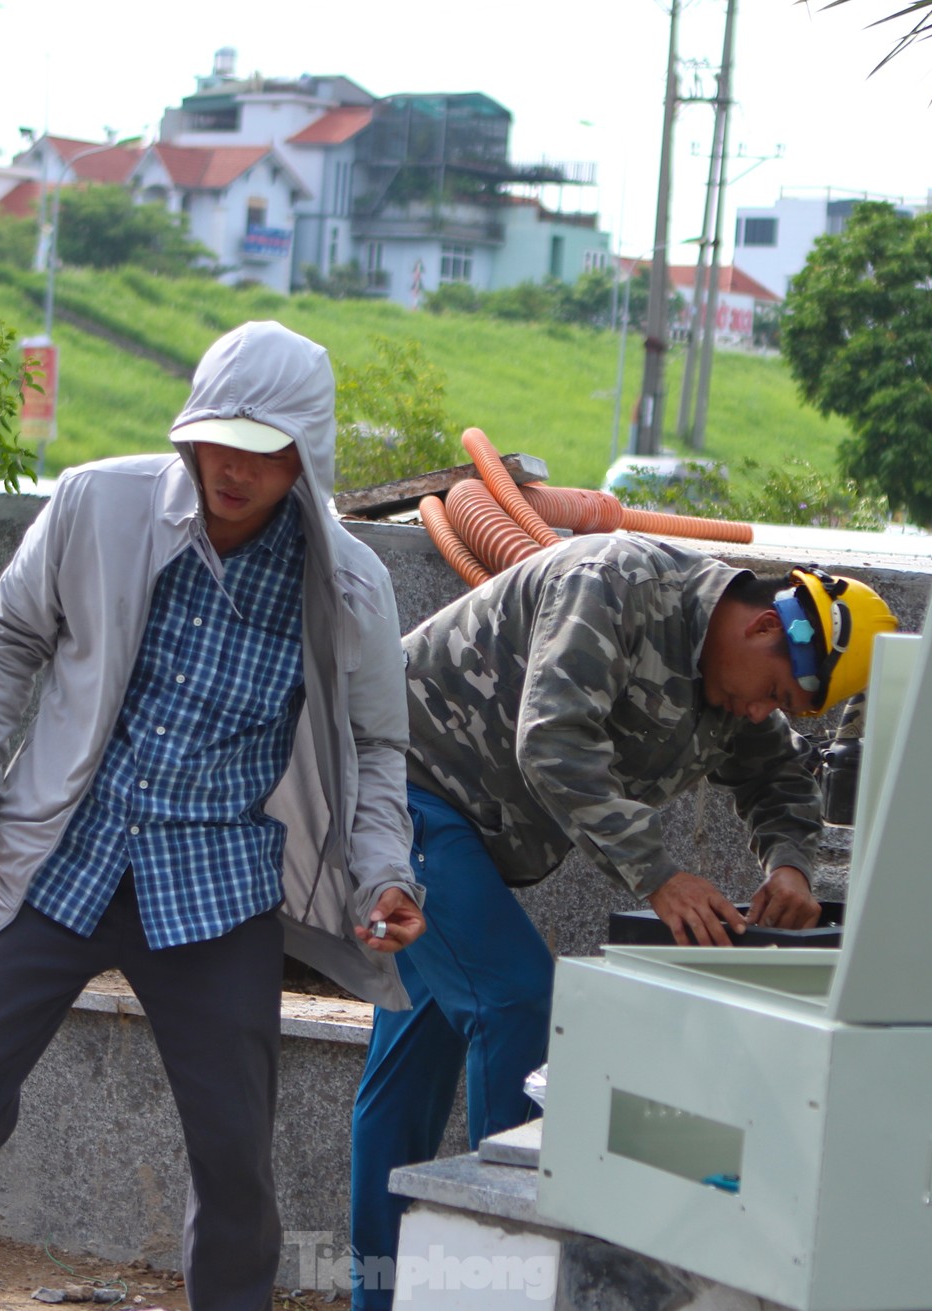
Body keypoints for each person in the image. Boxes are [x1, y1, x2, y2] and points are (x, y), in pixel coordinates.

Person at [0, 321, 426, 1311]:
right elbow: (6, 644)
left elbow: (379, 745)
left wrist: (385, 872)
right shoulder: (98, 503)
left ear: (305, 456)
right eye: (217, 441)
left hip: (214, 887)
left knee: (232, 1152)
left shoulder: (346, 584)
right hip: (60, 854)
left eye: (261, 452)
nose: (233, 469)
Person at [348, 533, 896, 1307]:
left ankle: (381, 1294)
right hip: (399, 789)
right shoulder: (612, 583)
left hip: (464, 829)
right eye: (772, 690)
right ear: (765, 626)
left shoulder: (734, 679)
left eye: (782, 706)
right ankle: (513, 1285)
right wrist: (659, 873)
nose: (760, 710)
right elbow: (553, 738)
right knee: (518, 1004)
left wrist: (790, 865)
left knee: (409, 1069)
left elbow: (779, 778)